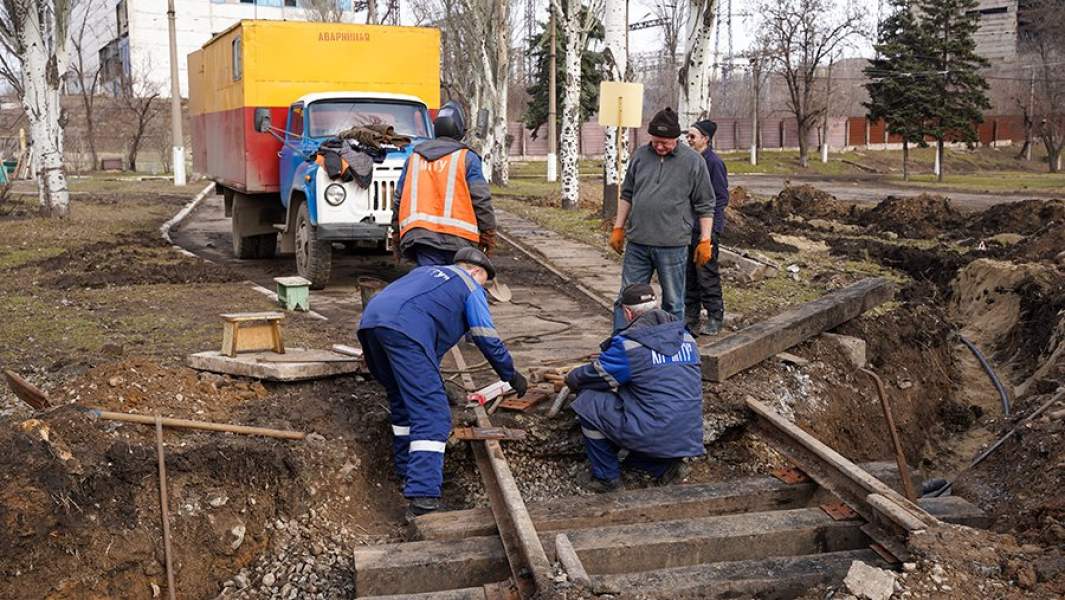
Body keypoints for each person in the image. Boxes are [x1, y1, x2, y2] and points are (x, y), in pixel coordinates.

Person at [357, 247, 527, 517]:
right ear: (475, 271)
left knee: (403, 399)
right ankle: (423, 497)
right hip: (404, 330)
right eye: (485, 282)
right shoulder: (470, 285)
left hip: (370, 323)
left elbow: (422, 343)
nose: (484, 291)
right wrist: (510, 374)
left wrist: (437, 382)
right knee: (433, 414)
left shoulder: (425, 274)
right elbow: (486, 338)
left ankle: (406, 470)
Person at [564, 283, 704, 492]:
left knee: (588, 402)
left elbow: (596, 376)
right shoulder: (686, 338)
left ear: (628, 313)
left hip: (654, 428)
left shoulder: (630, 345)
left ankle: (606, 478)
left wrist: (571, 377)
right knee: (654, 406)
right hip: (688, 434)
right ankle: (664, 466)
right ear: (656, 306)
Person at [609, 107, 715, 332]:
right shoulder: (640, 155)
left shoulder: (693, 162)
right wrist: (618, 228)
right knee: (626, 298)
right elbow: (627, 194)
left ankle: (671, 346)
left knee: (674, 302)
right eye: (655, 141)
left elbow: (706, 205)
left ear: (676, 139)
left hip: (673, 245)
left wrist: (705, 240)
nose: (659, 146)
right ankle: (621, 344)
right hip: (638, 243)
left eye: (664, 142)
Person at [391, 101, 497, 266]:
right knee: (455, 286)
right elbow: (481, 199)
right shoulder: (467, 158)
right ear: (460, 131)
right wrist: (488, 234)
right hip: (459, 240)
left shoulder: (414, 158)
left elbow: (398, 198)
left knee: (430, 285)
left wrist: (396, 234)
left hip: (421, 238)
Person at [684, 120, 730, 336]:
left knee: (706, 273)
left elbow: (720, 198)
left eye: (693, 136)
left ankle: (714, 315)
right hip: (687, 227)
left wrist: (710, 230)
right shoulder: (689, 161)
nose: (689, 140)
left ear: (705, 139)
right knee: (689, 274)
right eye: (688, 136)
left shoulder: (713, 163)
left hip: (706, 228)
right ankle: (690, 317)